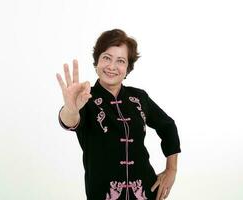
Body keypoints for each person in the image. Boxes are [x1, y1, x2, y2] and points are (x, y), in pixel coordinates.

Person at [56, 29, 181, 200]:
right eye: (107, 58)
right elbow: (69, 121)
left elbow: (167, 126)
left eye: (120, 61)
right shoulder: (85, 98)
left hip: (146, 192)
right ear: (97, 62)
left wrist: (171, 170)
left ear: (128, 68)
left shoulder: (139, 97)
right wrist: (71, 109)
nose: (112, 66)